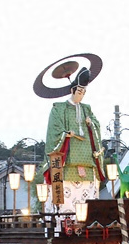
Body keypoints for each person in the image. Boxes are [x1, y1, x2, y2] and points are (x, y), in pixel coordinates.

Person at [44, 66, 104, 213]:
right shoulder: (59, 108)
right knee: (65, 205)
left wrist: (91, 124)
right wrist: (65, 134)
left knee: (87, 203)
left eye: (84, 92)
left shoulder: (87, 109)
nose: (81, 95)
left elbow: (97, 127)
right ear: (72, 90)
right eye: (79, 91)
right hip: (66, 164)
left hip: (87, 162)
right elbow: (54, 131)